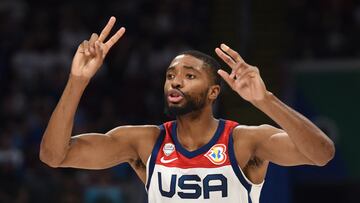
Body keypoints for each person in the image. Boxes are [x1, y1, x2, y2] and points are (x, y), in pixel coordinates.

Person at [39, 17, 335, 203]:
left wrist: (265, 100)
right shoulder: (143, 142)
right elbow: (54, 156)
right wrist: (77, 82)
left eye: (190, 76)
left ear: (213, 92)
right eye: (170, 75)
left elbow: (321, 154)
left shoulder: (245, 141)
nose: (176, 81)